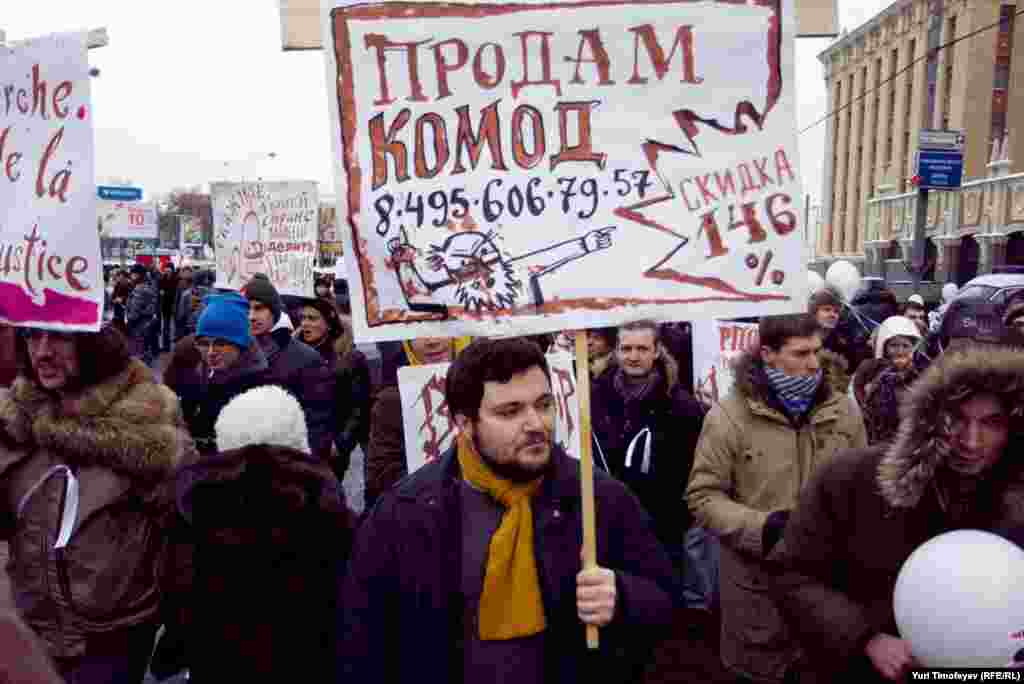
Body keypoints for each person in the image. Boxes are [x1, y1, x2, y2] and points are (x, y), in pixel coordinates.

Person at [339, 337, 680, 683]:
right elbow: (362, 640)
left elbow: (665, 602)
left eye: (544, 404)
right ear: (465, 423)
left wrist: (623, 596)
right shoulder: (405, 512)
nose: (536, 424)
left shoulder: (598, 498)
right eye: (510, 412)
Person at [769, 343, 1024, 683]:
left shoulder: (1017, 500)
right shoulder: (853, 478)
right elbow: (791, 572)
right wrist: (864, 638)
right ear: (929, 417)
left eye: (992, 423)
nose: (972, 441)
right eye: (956, 419)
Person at [0, 325, 194, 682]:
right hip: (33, 629)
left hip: (112, 638)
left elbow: (183, 536)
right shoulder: (15, 416)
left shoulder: (147, 419)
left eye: (60, 337)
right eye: (32, 336)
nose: (42, 352)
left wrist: (181, 626)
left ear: (94, 341)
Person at [687, 313, 867, 684]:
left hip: (829, 597)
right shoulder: (729, 416)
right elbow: (703, 496)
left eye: (817, 350)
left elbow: (863, 488)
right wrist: (763, 528)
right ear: (768, 354)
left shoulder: (844, 411)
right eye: (801, 353)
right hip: (758, 596)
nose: (814, 363)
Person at [164, 385, 354, 682]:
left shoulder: (195, 508)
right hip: (308, 662)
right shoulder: (327, 508)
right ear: (297, 439)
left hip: (218, 663)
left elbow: (177, 594)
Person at [591, 320, 705, 568]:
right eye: (626, 348)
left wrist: (676, 520)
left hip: (662, 532)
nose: (633, 357)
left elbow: (694, 471)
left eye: (642, 349)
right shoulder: (594, 397)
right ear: (616, 351)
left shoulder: (681, 406)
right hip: (607, 526)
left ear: (656, 351)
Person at [364, 336, 471, 508]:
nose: (431, 341)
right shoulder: (392, 401)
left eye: (439, 329)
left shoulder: (488, 387)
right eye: (418, 334)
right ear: (407, 343)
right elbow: (379, 478)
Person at [241, 274, 337, 463]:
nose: (251, 316)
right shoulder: (235, 354)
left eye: (259, 308)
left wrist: (301, 467)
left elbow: (318, 424)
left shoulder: (307, 359)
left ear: (274, 311)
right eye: (246, 309)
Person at [164, 292, 271, 455]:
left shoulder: (260, 387)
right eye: (204, 343)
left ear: (241, 344)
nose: (211, 352)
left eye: (221, 343)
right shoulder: (197, 367)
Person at [860, 316, 923, 445]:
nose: (900, 351)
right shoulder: (868, 373)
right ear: (883, 347)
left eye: (905, 346)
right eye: (894, 345)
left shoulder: (921, 376)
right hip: (876, 443)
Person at [808, 286, 852, 395]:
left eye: (836, 311)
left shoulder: (843, 344)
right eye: (826, 309)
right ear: (814, 313)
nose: (832, 315)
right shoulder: (803, 339)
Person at [125, 264, 159, 366]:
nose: (131, 276)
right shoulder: (150, 285)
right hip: (147, 321)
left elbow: (135, 309)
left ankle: (141, 368)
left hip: (139, 323)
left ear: (138, 275)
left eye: (133, 274)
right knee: (145, 346)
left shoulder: (139, 289)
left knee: (138, 349)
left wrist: (129, 319)